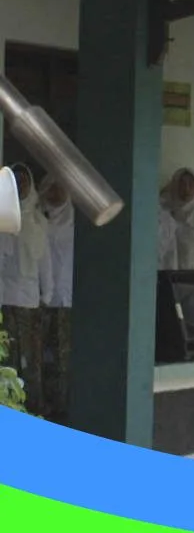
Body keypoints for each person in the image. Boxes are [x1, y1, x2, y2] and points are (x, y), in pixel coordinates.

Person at [0, 163, 52, 415]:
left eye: (24, 182)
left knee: (31, 359)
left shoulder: (39, 221)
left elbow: (46, 262)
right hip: (4, 298)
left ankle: (33, 407)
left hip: (29, 300)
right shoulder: (2, 216)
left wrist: (47, 294)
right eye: (16, 182)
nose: (20, 187)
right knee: (8, 358)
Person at [38, 174, 74, 420]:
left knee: (63, 354)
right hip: (38, 298)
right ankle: (42, 403)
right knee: (39, 354)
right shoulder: (37, 219)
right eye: (51, 189)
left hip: (67, 298)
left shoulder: (76, 221)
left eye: (61, 189)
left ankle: (63, 404)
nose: (56, 194)